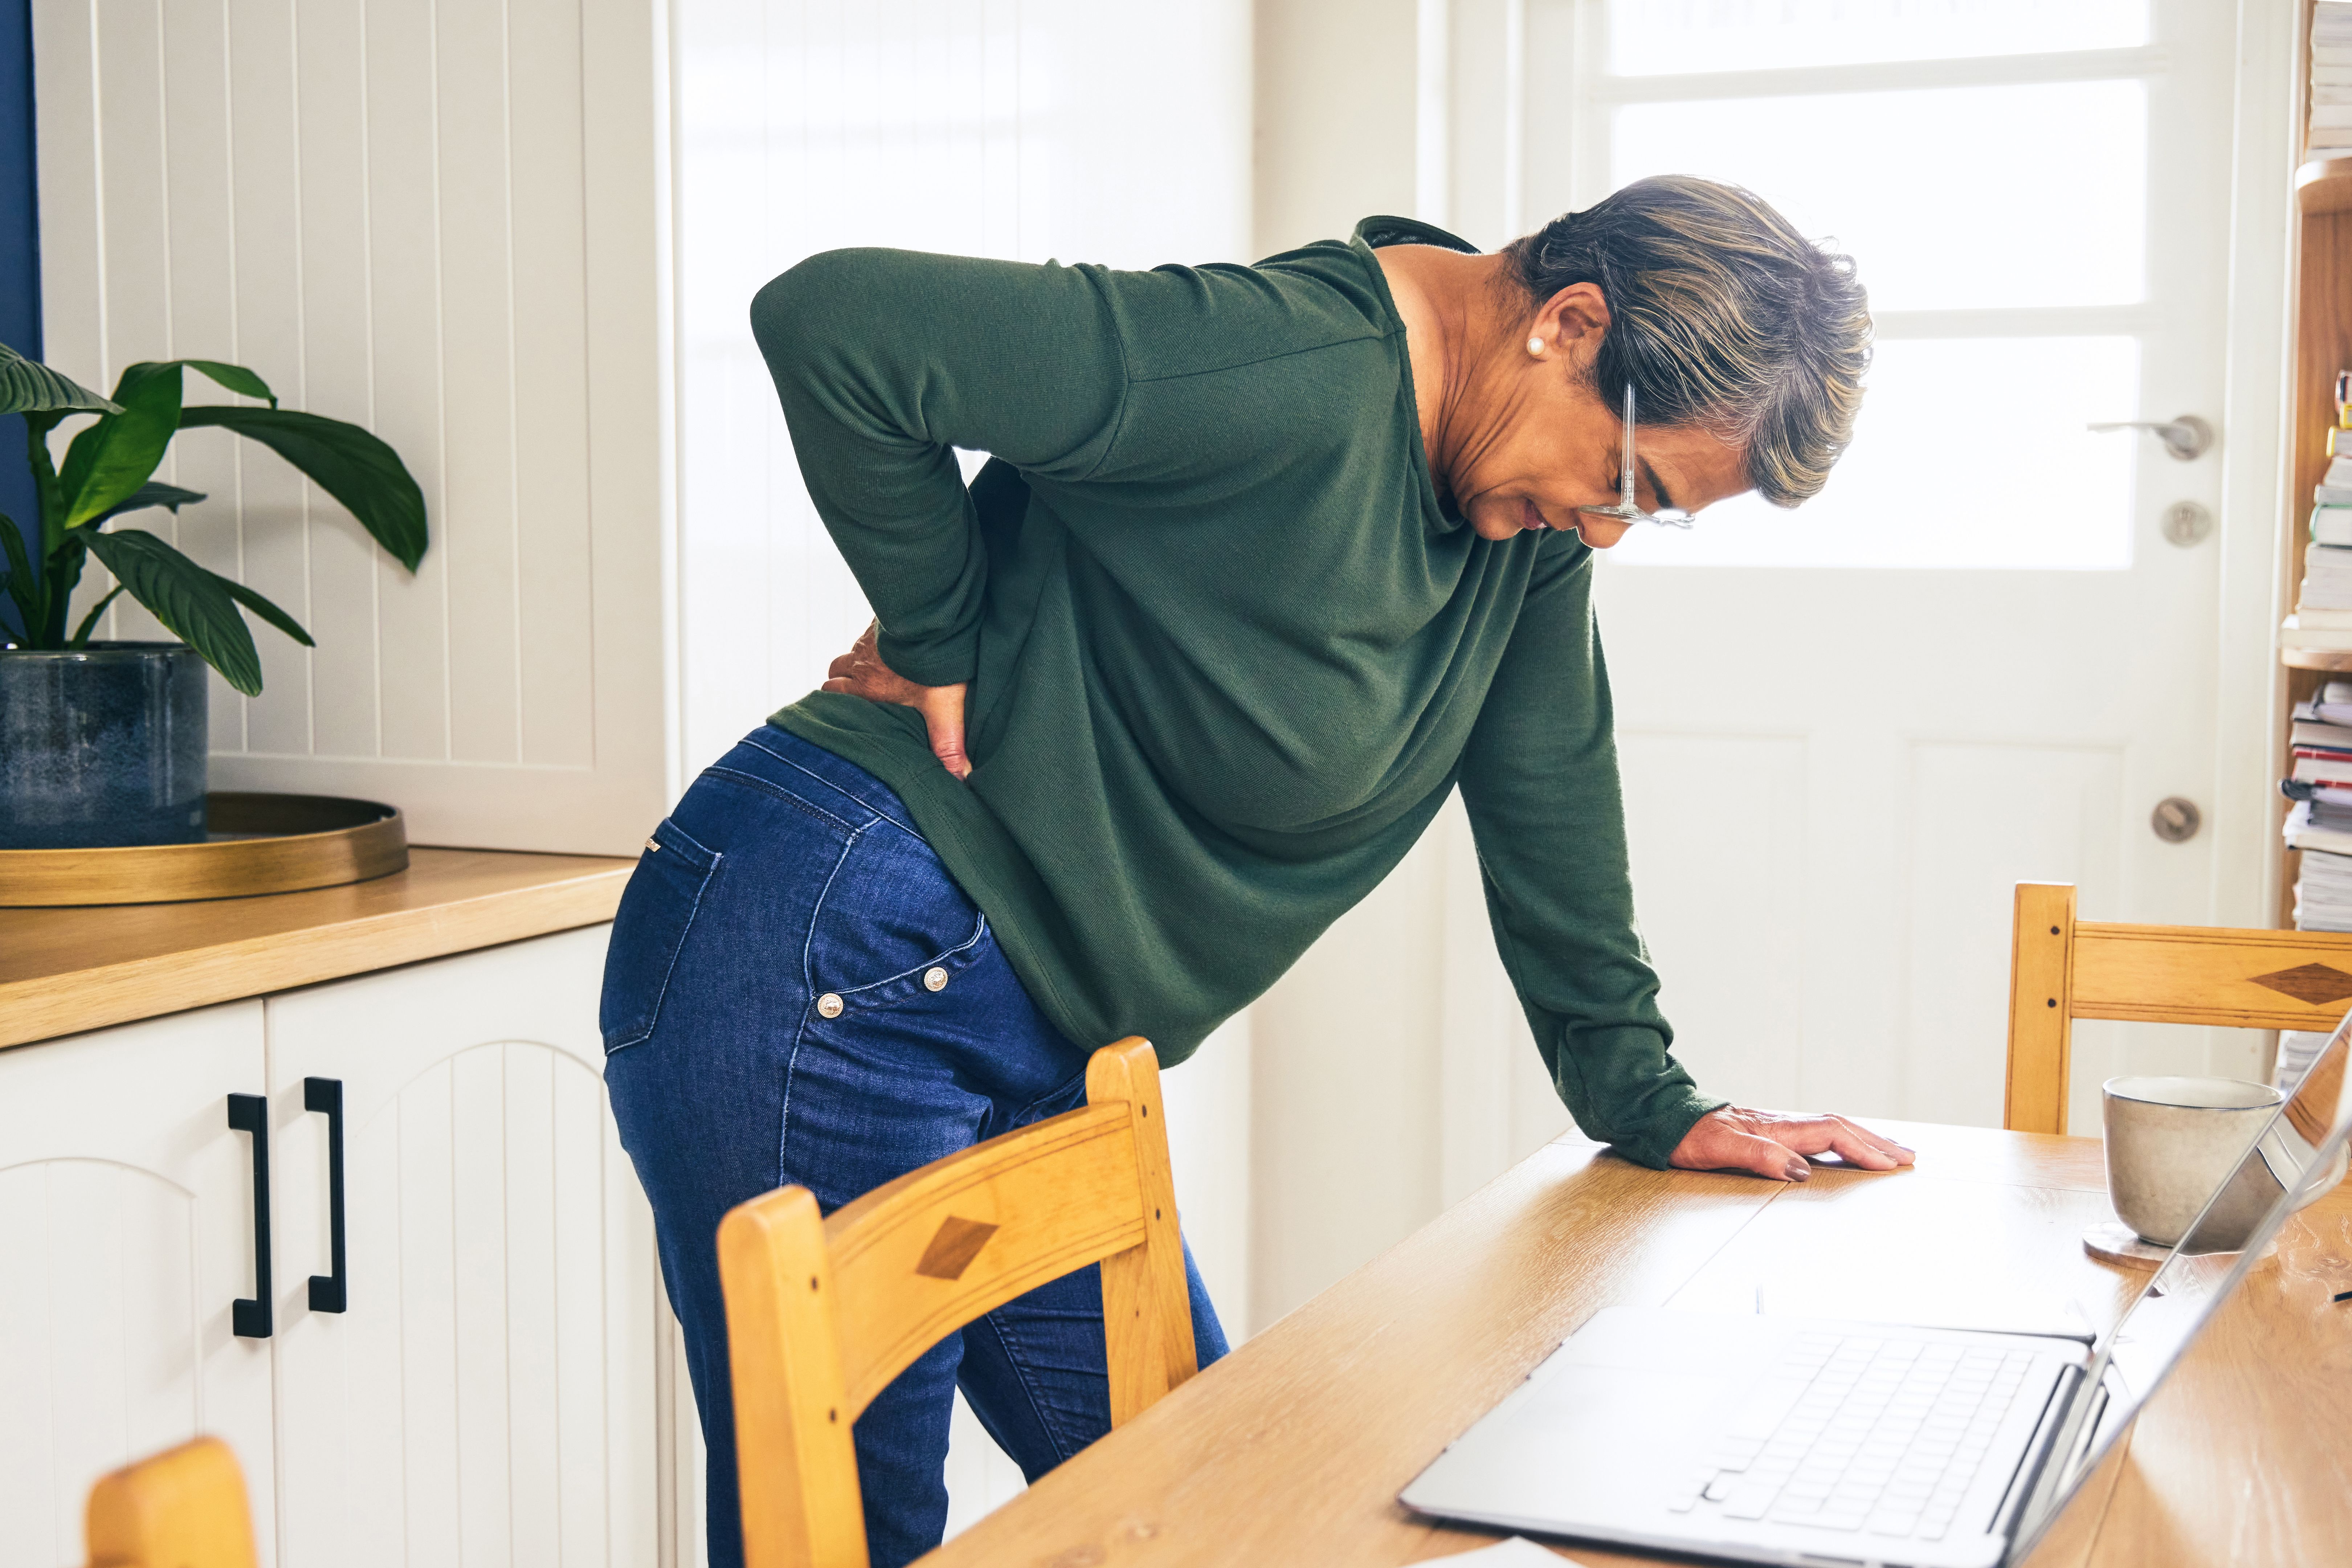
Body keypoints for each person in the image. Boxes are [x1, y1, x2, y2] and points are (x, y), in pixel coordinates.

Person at [600, 174, 1911, 1568]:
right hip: (834, 946)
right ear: (1571, 327)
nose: (1603, 531)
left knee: (1217, 1513)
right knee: (853, 1538)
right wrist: (941, 629)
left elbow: (1551, 804)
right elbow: (840, 322)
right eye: (1627, 485)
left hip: (1033, 1007)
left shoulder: (1512, 530)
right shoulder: (1285, 365)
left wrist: (1652, 1103)